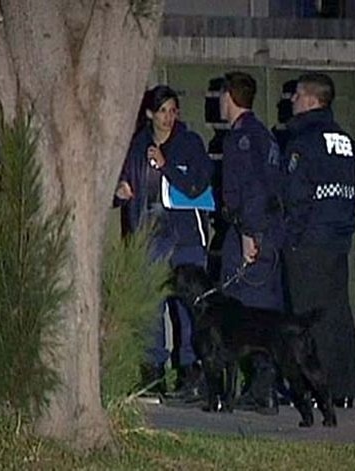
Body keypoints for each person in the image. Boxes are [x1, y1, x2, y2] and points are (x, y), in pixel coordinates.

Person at [114, 85, 213, 400]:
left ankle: (191, 374)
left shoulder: (189, 143)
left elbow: (198, 185)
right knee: (152, 308)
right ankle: (152, 375)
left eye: (173, 110)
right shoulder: (137, 146)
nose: (169, 117)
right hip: (150, 236)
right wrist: (120, 192)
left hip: (185, 239)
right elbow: (124, 183)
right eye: (163, 111)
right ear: (149, 114)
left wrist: (165, 164)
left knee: (188, 309)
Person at [282, 73, 355, 408]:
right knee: (337, 313)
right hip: (337, 239)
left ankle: (317, 389)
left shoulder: (302, 141)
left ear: (312, 100)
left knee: (309, 319)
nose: (291, 100)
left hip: (309, 243)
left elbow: (296, 197)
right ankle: (343, 389)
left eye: (297, 95)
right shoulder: (344, 140)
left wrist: (292, 239)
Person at [218, 71, 285, 414]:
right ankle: (264, 387)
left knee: (244, 314)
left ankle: (261, 391)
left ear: (229, 96)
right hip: (270, 233)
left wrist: (248, 234)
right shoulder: (266, 136)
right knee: (266, 314)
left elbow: (252, 191)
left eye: (221, 94)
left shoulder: (241, 138)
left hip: (252, 232)